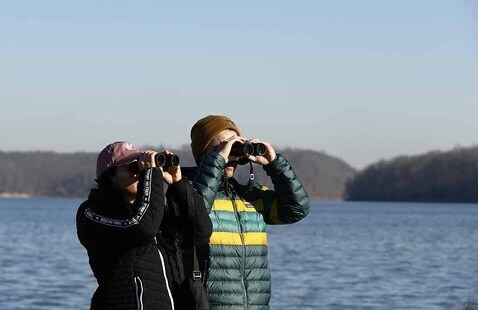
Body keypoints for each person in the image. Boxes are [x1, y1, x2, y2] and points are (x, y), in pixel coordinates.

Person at [188, 115, 310, 309]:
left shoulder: (250, 196)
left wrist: (274, 164)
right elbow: (193, 217)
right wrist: (218, 161)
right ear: (204, 153)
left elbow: (296, 209)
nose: (232, 155)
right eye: (224, 146)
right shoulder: (188, 193)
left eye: (235, 147)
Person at [76, 141, 212, 310]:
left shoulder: (157, 213)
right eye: (133, 168)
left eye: (140, 166)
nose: (139, 173)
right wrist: (151, 172)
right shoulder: (92, 212)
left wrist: (179, 185)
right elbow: (142, 227)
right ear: (110, 177)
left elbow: (201, 232)